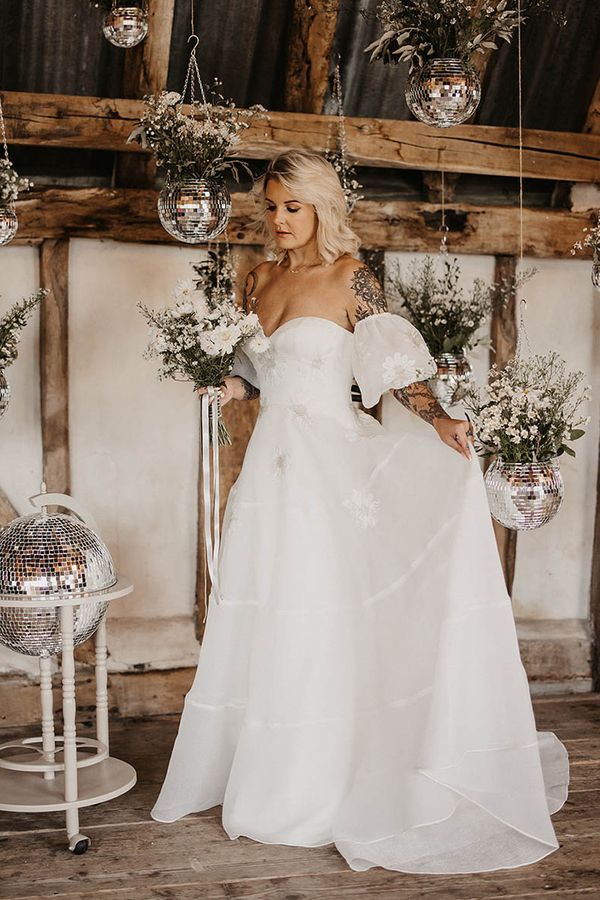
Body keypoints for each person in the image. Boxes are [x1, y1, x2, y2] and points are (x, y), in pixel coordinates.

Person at [151, 150, 568, 874]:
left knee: (322, 609)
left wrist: (439, 419)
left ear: (319, 208)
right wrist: (224, 386)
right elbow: (255, 368)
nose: (278, 220)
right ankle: (271, 776)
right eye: (272, 206)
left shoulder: (353, 278)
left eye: (292, 207)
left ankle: (329, 778)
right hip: (271, 472)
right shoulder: (256, 279)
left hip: (331, 469)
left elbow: (397, 369)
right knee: (268, 608)